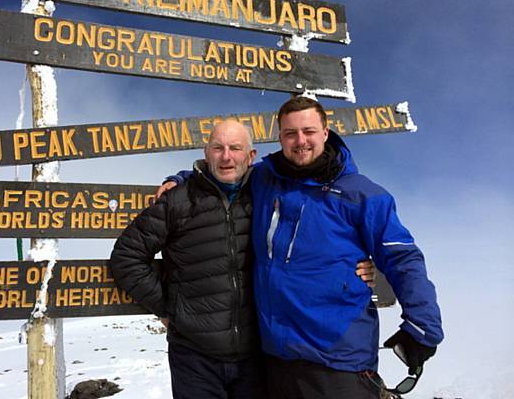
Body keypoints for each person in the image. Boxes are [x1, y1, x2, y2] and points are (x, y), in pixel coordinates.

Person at [162, 98, 443, 398]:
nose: (300, 141)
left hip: (337, 365)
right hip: (275, 362)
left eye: (308, 131)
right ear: (280, 137)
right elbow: (224, 172)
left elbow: (402, 257)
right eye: (290, 133)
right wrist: (179, 180)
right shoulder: (265, 178)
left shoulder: (361, 194)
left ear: (325, 132)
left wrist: (422, 326)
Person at [110, 119, 377, 399]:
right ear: (206, 153)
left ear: (250, 157)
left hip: (256, 356)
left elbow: (315, 232)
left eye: (235, 148)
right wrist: (169, 308)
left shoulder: (266, 195)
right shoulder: (178, 201)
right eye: (218, 148)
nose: (226, 156)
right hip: (194, 357)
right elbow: (127, 256)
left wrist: (360, 263)